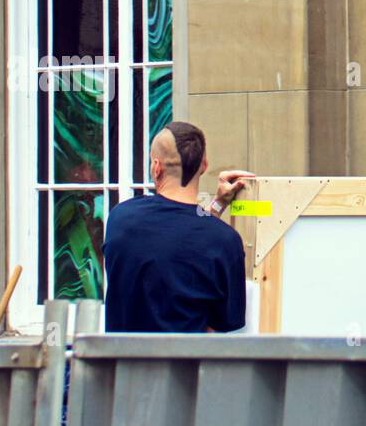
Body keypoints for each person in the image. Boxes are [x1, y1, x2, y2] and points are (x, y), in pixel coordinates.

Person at [103, 121, 255, 332]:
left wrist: (217, 205)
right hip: (185, 364)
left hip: (121, 362)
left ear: (156, 167)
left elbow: (178, 235)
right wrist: (218, 205)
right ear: (204, 166)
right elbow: (222, 326)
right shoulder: (225, 240)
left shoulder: (120, 218)